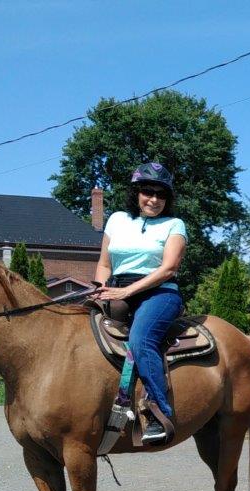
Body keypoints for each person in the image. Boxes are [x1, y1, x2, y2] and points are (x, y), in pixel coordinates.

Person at [91, 162, 188, 443]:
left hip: (159, 293)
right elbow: (104, 263)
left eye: (161, 194)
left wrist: (127, 292)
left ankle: (159, 413)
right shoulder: (117, 219)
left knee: (141, 339)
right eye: (148, 192)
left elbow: (168, 269)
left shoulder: (174, 225)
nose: (154, 199)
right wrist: (99, 289)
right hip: (116, 290)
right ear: (136, 193)